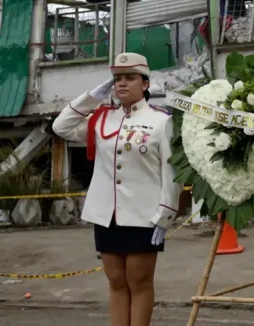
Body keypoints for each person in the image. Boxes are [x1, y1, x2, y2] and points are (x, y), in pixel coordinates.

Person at [52, 52, 182, 326]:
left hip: (144, 215)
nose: (122, 83)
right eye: (117, 79)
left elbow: (171, 172)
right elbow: (61, 126)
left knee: (139, 281)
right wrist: (91, 97)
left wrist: (166, 213)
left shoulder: (161, 121)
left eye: (130, 78)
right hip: (106, 214)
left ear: (145, 84)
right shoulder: (101, 119)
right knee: (116, 281)